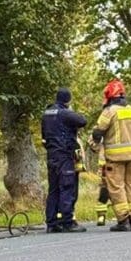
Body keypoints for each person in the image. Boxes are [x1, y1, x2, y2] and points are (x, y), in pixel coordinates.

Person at [90, 79, 131, 232]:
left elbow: (99, 130)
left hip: (115, 157)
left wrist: (95, 143)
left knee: (116, 188)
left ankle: (123, 219)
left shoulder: (109, 111)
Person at [41, 88, 88, 233]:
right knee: (67, 187)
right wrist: (71, 110)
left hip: (51, 155)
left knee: (53, 189)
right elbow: (82, 121)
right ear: (67, 100)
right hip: (64, 155)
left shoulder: (46, 113)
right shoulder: (65, 113)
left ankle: (52, 223)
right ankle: (68, 222)